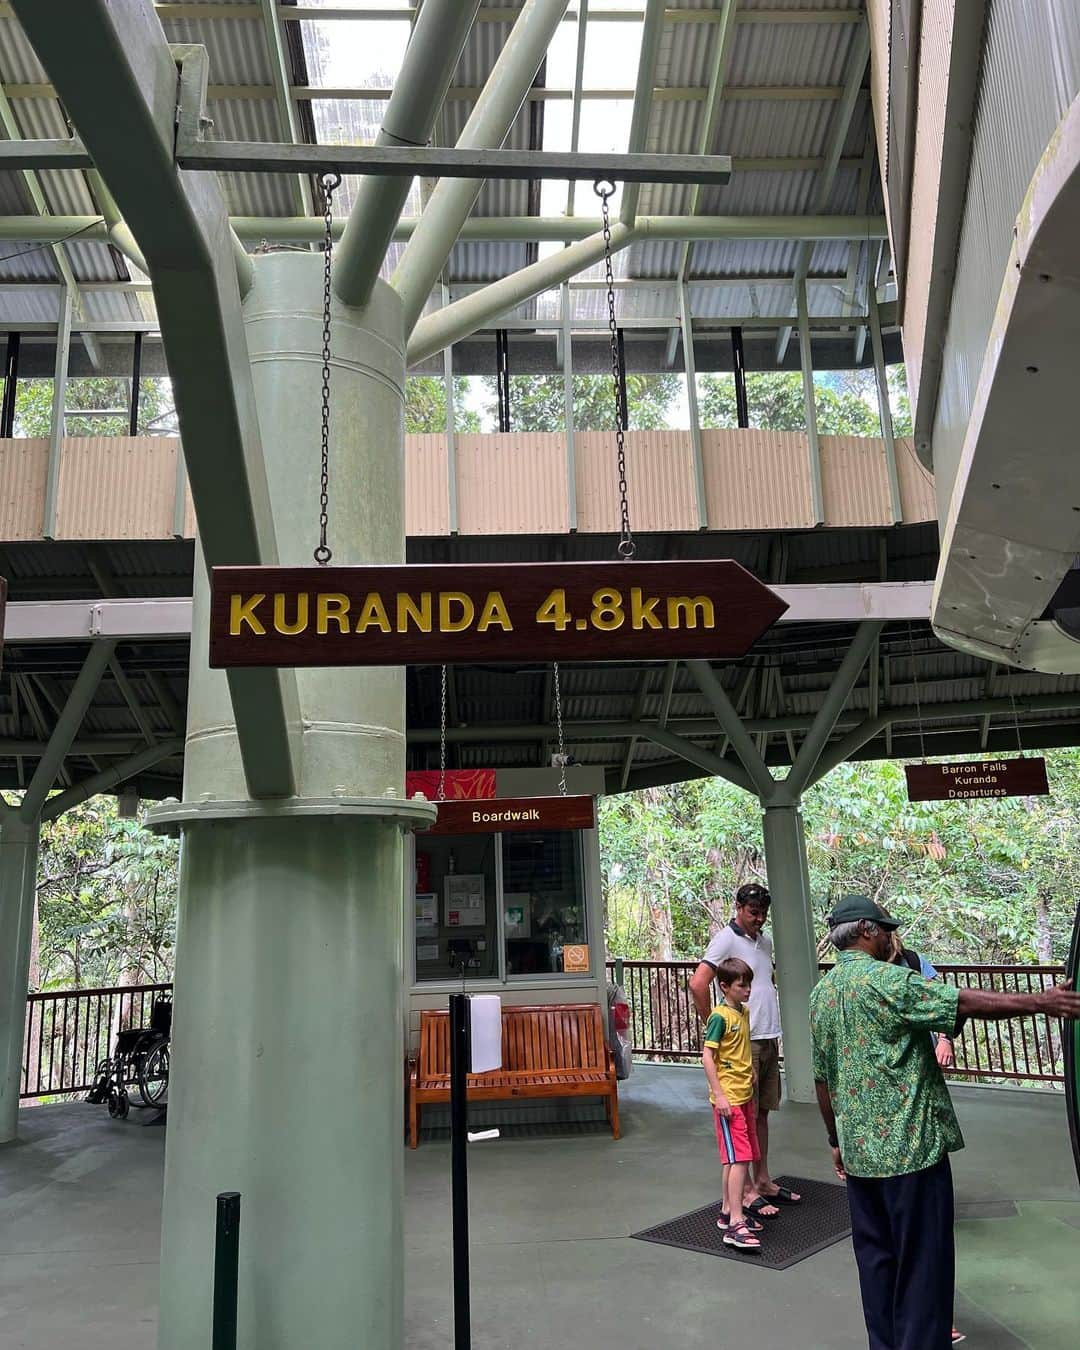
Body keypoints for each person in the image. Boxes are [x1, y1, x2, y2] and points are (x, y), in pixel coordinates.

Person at [810, 894, 1080, 1350]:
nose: (890, 938)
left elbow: (822, 1080)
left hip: (859, 1159)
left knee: (877, 1264)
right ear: (867, 931)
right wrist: (1042, 1001)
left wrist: (835, 1139)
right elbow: (962, 1001)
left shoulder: (821, 995)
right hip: (911, 1154)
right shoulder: (888, 981)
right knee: (924, 1267)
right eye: (885, 930)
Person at [690, 882, 800, 1218]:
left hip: (768, 1033)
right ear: (738, 907)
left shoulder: (763, 941)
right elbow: (698, 982)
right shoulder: (726, 939)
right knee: (744, 1114)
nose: (759, 919)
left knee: (762, 1112)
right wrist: (716, 1024)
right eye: (754, 912)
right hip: (743, 1041)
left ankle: (762, 1179)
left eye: (763, 913)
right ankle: (747, 1191)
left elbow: (765, 983)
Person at [701, 956, 761, 1252]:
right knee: (739, 1159)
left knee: (736, 1157)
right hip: (730, 1100)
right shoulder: (719, 1017)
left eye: (749, 984)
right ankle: (736, 1222)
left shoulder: (743, 1012)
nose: (747, 990)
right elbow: (708, 1056)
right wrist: (720, 1094)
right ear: (725, 987)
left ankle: (727, 1210)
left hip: (744, 1094)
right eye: (741, 985)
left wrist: (749, 1070)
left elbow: (738, 1049)